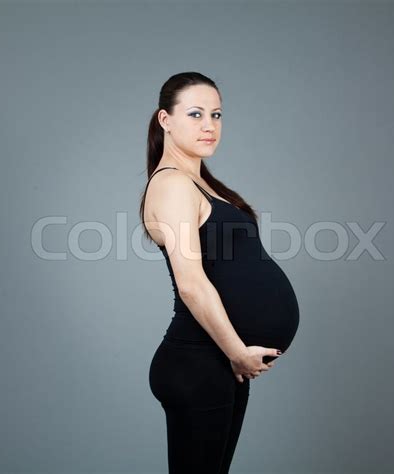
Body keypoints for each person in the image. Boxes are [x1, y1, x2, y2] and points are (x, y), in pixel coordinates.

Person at [139, 72, 300, 473]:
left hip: (222, 363)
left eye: (216, 114)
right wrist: (237, 352)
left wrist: (236, 357)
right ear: (165, 120)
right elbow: (192, 284)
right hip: (200, 362)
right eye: (195, 114)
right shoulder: (173, 185)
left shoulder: (201, 183)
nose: (209, 125)